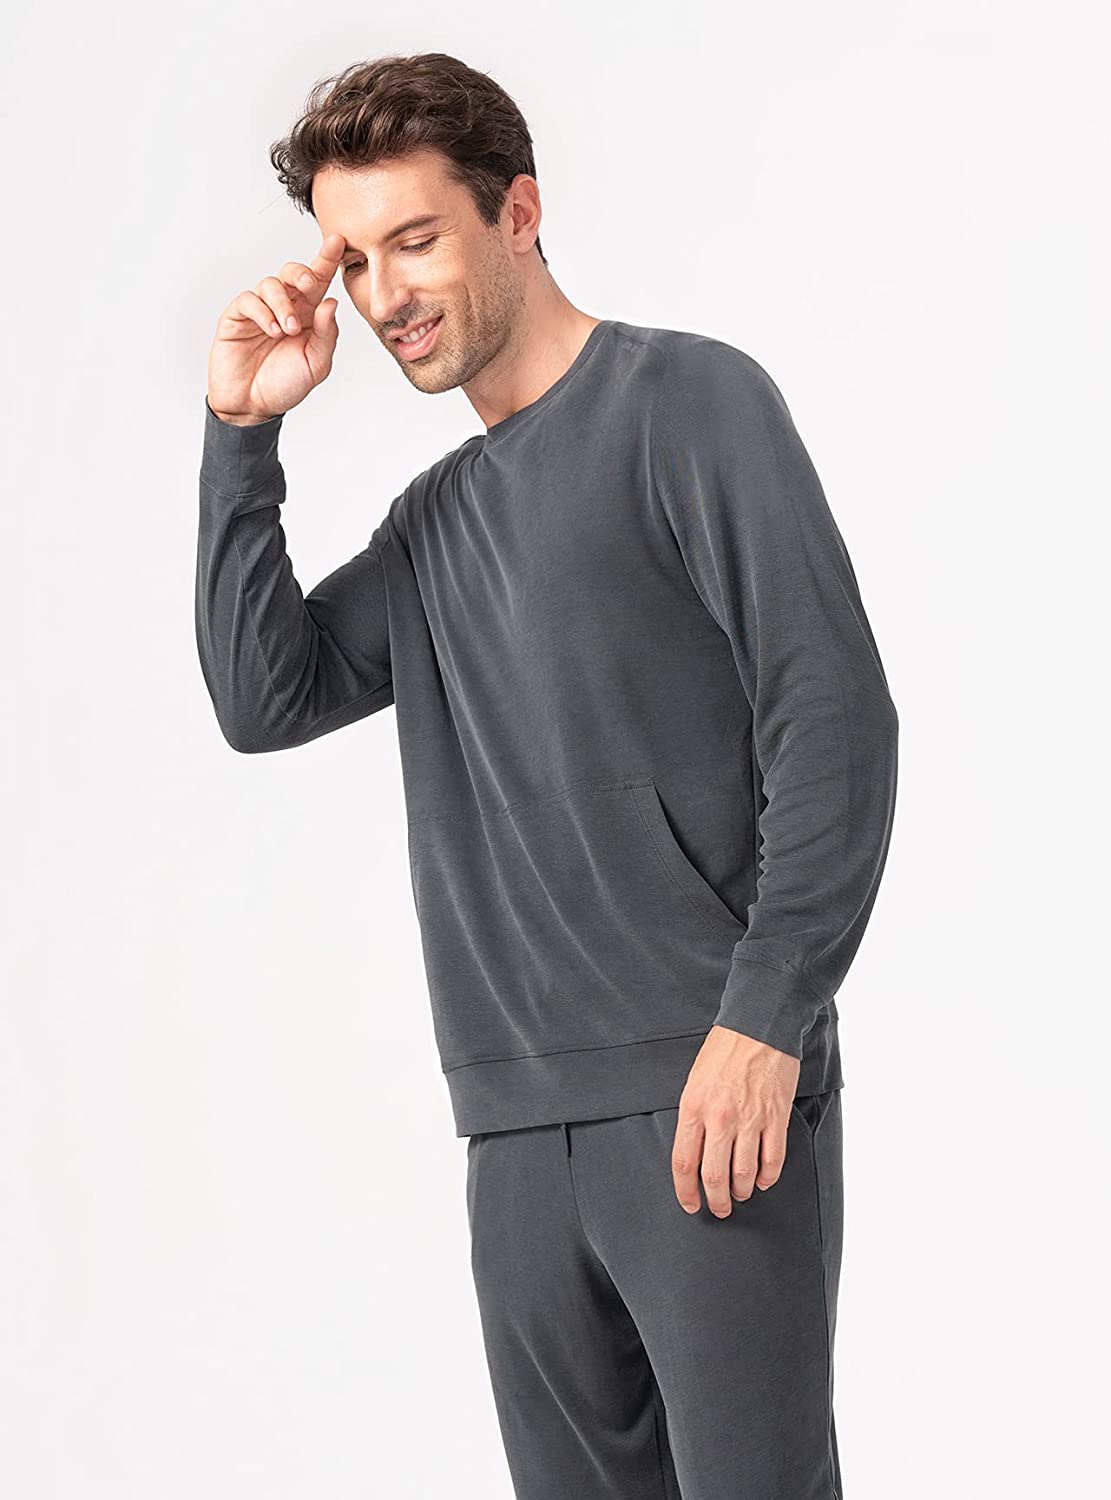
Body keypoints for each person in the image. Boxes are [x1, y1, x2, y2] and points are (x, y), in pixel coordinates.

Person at [195, 50, 898, 1500]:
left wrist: (768, 1018)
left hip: (706, 1091)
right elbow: (267, 698)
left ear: (516, 211)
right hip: (511, 1125)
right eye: (354, 259)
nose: (384, 294)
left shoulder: (687, 403)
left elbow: (831, 713)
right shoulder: (434, 524)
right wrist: (242, 433)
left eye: (415, 239)